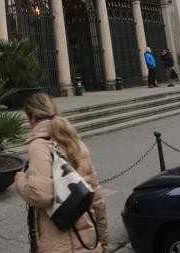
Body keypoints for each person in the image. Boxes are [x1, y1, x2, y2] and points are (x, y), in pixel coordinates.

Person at [15, 93, 108, 252]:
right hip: (89, 240)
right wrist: (103, 239)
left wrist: (20, 180)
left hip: (59, 242)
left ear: (31, 118)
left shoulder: (39, 146)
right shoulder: (76, 142)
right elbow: (97, 199)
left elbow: (41, 195)